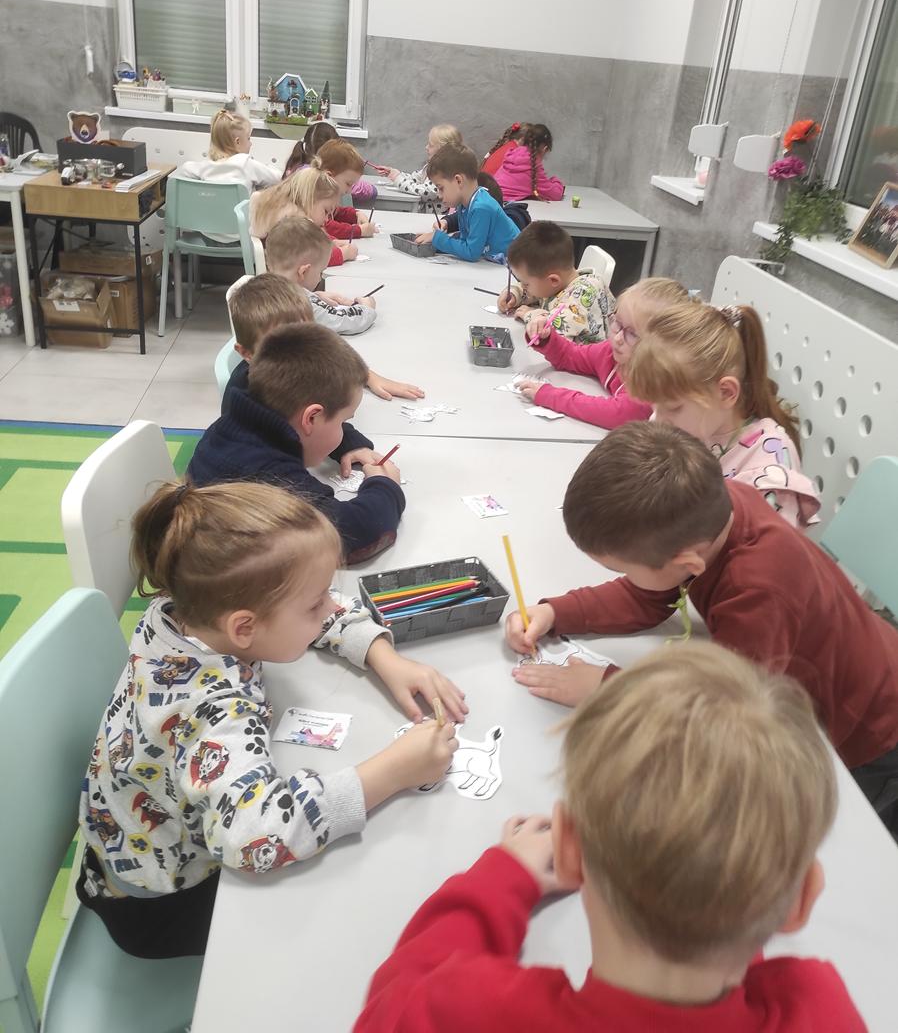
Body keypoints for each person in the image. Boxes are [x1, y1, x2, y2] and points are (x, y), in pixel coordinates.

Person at [355, 641, 865, 1032]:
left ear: (568, 850)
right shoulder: (822, 1011)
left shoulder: (479, 1014)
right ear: (800, 899)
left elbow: (394, 1002)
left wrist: (503, 876)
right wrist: (736, 895)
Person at [77, 481, 463, 959]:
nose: (329, 608)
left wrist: (385, 657)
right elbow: (256, 836)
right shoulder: (210, 711)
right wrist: (394, 771)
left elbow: (308, 610)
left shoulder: (183, 614)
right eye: (316, 604)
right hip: (159, 907)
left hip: (129, 846)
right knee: (352, 929)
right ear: (245, 627)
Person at [506, 422, 898, 842]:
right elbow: (647, 594)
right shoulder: (715, 511)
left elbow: (724, 712)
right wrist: (556, 611)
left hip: (871, 731)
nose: (622, 576)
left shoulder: (758, 592)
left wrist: (608, 688)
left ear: (688, 564)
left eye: (621, 568)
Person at [189, 322, 405, 563]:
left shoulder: (241, 417)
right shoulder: (268, 475)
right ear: (311, 418)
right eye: (343, 421)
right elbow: (356, 534)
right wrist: (385, 485)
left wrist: (351, 444)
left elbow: (309, 417)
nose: (342, 429)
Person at [626, 301, 819, 529]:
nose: (656, 420)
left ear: (726, 393)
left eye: (673, 407)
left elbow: (769, 549)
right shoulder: (695, 424)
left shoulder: (771, 475)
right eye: (653, 406)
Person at [227, 251, 423, 401]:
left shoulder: (296, 359)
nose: (302, 353)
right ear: (246, 354)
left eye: (308, 337)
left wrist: (365, 375)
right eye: (281, 347)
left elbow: (328, 356)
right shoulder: (248, 399)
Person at [514, 276, 689, 427]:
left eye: (633, 334)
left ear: (664, 345)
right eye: (617, 322)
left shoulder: (654, 384)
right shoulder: (611, 351)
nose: (618, 337)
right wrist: (547, 338)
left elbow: (614, 414)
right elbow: (571, 356)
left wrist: (550, 395)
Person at [499, 220, 614, 343]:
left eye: (526, 284)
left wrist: (530, 314)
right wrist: (515, 293)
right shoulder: (557, 283)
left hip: (585, 354)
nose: (523, 286)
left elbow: (552, 331)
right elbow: (539, 292)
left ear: (553, 280)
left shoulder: (582, 295)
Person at [181, 110, 281, 241]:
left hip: (209, 234)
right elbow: (277, 177)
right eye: (249, 138)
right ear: (237, 142)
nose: (251, 143)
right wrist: (269, 166)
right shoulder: (247, 164)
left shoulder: (206, 167)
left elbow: (185, 168)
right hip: (242, 236)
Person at [414, 145, 520, 263]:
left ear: (458, 180)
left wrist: (437, 239)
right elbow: (465, 241)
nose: (439, 195)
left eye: (441, 188)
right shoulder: (466, 203)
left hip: (515, 265)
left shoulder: (481, 207)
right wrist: (433, 241)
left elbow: (471, 252)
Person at [250, 167, 358, 267]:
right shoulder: (293, 224)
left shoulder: (282, 211)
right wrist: (344, 253)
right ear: (309, 199)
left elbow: (314, 242)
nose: (326, 219)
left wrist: (332, 242)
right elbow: (314, 261)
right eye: (326, 211)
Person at [284, 121, 378, 204]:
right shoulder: (316, 177)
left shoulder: (296, 168)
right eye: (348, 184)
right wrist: (373, 190)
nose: (348, 189)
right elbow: (361, 189)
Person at [374, 124, 463, 210]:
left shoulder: (445, 173)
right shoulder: (431, 166)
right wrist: (393, 173)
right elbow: (415, 178)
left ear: (443, 150)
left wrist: (397, 178)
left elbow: (423, 192)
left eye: (430, 145)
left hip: (434, 218)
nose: (426, 147)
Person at [493, 123, 565, 203]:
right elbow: (555, 194)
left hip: (492, 198)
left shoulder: (512, 155)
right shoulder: (533, 167)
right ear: (544, 149)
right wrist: (555, 181)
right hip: (503, 205)